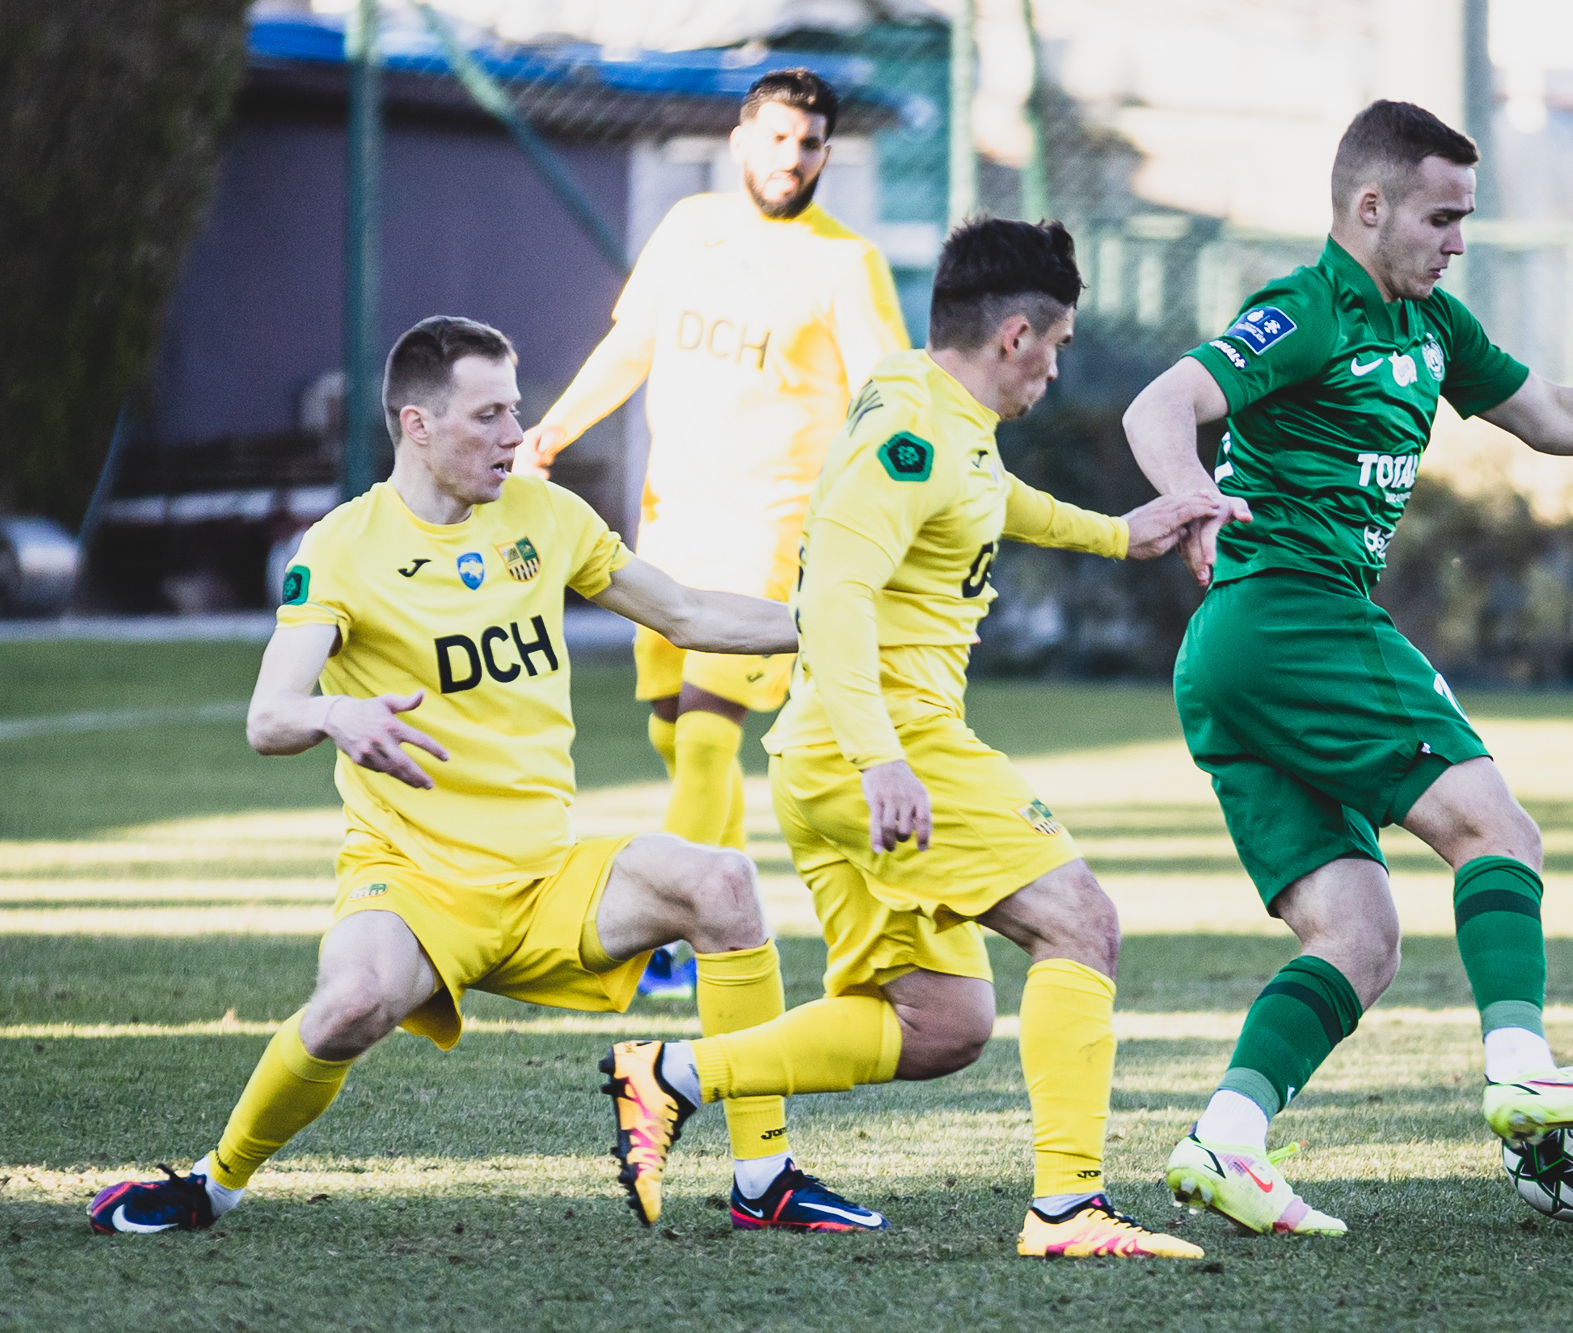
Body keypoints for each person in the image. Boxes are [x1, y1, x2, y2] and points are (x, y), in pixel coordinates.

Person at [1121, 99, 1573, 1237]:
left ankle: (1225, 1139)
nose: (1457, 240)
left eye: (1466, 218)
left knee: (1356, 935)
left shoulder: (1432, 325)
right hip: (1293, 617)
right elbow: (1165, 403)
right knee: (1499, 832)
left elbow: (1548, 415)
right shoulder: (1303, 311)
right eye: (1441, 218)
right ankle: (1518, 1070)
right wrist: (1185, 491)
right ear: (1368, 206)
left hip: (1239, 658)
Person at [88, 317, 874, 1235]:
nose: (515, 436)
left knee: (724, 882)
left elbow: (689, 611)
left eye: (517, 411)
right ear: (416, 425)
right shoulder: (339, 548)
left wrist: (836, 624)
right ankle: (210, 1183)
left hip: (547, 879)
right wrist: (338, 714)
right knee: (348, 1006)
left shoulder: (546, 517)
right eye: (489, 415)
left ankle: (764, 1179)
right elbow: (270, 715)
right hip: (416, 886)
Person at [594, 218, 1230, 1259]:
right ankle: (1067, 1208)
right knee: (1082, 923)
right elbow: (835, 594)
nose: (1057, 366)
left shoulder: (929, 403)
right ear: (1014, 335)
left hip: (835, 752)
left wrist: (1120, 532)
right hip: (884, 745)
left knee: (941, 1022)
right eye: (1057, 344)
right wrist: (883, 755)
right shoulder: (915, 436)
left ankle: (667, 1077)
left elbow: (988, 500)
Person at [517, 71, 910, 1170]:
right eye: (778, 137)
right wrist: (549, 434)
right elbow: (632, 350)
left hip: (769, 536)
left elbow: (886, 396)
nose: (792, 158)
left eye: (811, 144)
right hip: (668, 528)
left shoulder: (844, 263)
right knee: (670, 731)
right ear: (741, 137)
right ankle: (709, 901)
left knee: (702, 730)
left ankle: (686, 935)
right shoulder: (686, 230)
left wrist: (884, 515)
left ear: (826, 155)